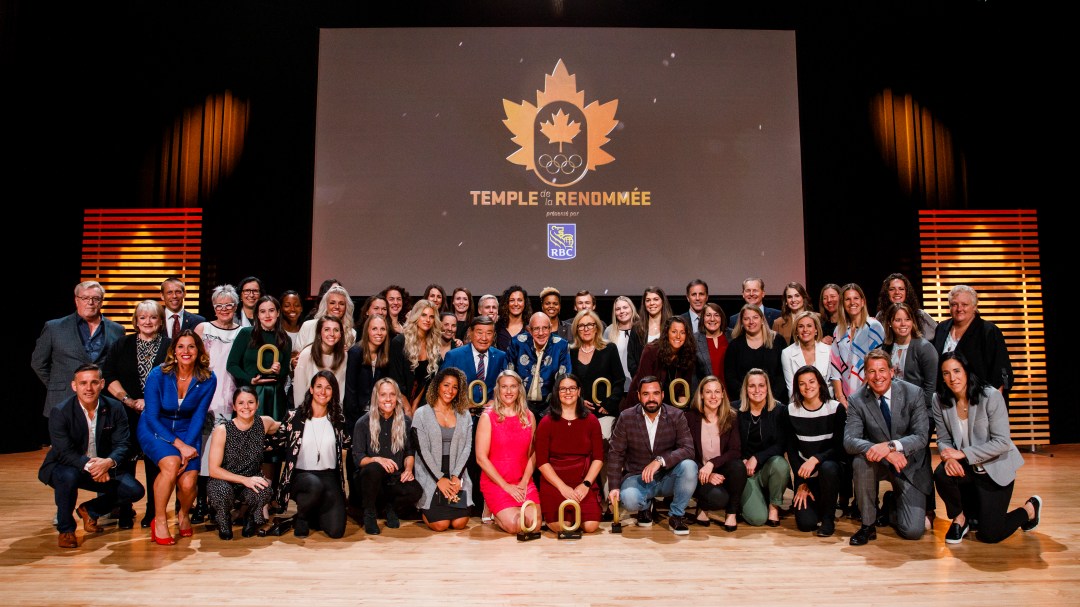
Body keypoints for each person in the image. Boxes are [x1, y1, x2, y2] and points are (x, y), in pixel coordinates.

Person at [932, 352, 1041, 544]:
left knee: (990, 534)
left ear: (967, 371)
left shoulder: (990, 396)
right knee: (941, 473)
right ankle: (960, 518)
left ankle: (1030, 509)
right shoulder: (938, 399)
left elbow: (1002, 442)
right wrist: (948, 457)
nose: (952, 378)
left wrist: (962, 453)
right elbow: (943, 439)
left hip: (994, 469)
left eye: (957, 371)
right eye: (946, 373)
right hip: (966, 469)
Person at [39, 364, 145, 549]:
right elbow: (63, 452)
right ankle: (66, 529)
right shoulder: (60, 411)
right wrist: (91, 466)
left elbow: (123, 444)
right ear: (74, 386)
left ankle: (90, 510)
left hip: (103, 465)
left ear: (102, 384)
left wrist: (108, 462)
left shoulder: (115, 408)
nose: (89, 388)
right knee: (67, 477)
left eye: (94, 382)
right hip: (68, 466)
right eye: (83, 383)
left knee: (135, 491)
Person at [843, 349, 932, 545]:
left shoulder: (913, 393)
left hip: (909, 463)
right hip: (880, 462)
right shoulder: (857, 399)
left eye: (882, 370)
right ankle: (868, 525)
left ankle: (891, 502)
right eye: (872, 372)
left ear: (892, 372)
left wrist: (891, 447)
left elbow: (921, 437)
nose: (877, 376)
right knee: (860, 461)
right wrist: (886, 453)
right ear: (865, 375)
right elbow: (850, 440)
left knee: (913, 531)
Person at [139, 330, 216, 545]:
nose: (186, 351)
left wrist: (188, 446)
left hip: (187, 429)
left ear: (199, 350)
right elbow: (152, 417)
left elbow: (199, 415)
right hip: (156, 428)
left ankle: (183, 514)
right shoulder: (158, 374)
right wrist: (180, 447)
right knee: (172, 464)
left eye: (191, 346)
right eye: (181, 346)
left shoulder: (208, 378)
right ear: (174, 350)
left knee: (189, 482)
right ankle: (160, 519)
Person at [103, 300, 170, 529]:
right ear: (136, 321)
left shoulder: (171, 346)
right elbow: (109, 375)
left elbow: (176, 380)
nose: (148, 322)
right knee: (124, 463)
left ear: (160, 321)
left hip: (158, 415)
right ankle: (123, 511)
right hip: (125, 414)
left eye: (153, 317)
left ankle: (153, 512)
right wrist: (126, 399)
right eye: (143, 317)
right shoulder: (122, 344)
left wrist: (151, 402)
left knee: (154, 464)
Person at [607, 376, 697, 536]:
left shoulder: (676, 415)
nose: (651, 398)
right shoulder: (626, 417)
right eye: (646, 394)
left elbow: (688, 448)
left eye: (655, 393)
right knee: (629, 499)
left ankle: (676, 515)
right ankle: (644, 507)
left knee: (690, 466)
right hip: (637, 477)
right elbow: (616, 453)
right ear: (638, 396)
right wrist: (614, 487)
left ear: (663, 395)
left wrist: (660, 461)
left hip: (667, 475)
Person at [439, 315, 509, 514]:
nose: (484, 337)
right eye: (479, 332)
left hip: (490, 419)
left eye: (488, 333)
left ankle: (486, 505)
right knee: (464, 462)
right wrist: (462, 403)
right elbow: (443, 388)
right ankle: (465, 504)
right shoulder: (454, 356)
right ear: (470, 333)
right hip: (462, 418)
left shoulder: (501, 356)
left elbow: (506, 388)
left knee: (488, 461)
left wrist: (495, 402)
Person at [32, 281, 126, 426]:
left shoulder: (117, 330)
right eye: (85, 298)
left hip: (102, 401)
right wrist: (58, 384)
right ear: (76, 300)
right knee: (66, 447)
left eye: (95, 298)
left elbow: (117, 366)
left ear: (101, 302)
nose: (90, 302)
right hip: (63, 399)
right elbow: (38, 362)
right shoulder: (54, 327)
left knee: (100, 448)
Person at [227, 295, 293, 502]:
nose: (267, 315)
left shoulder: (285, 338)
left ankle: (268, 495)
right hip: (251, 397)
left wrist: (280, 370)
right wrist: (250, 379)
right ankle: (243, 494)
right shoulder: (246, 334)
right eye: (262, 311)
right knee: (247, 445)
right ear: (257, 315)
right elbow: (232, 365)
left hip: (275, 398)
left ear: (278, 313)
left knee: (274, 446)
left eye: (271, 311)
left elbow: (283, 376)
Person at [270, 370, 352, 538]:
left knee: (336, 531)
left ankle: (315, 511)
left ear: (333, 392)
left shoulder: (338, 419)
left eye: (328, 388)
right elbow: (276, 443)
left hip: (329, 476)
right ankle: (302, 517)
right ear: (312, 390)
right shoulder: (295, 417)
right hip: (302, 476)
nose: (323, 392)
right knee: (314, 485)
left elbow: (350, 443)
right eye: (319, 387)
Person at [191, 284, 242, 524]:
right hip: (205, 396)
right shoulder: (203, 328)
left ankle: (219, 504)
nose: (224, 309)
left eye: (228, 305)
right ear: (213, 307)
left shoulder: (244, 331)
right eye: (219, 305)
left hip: (231, 398)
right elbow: (191, 361)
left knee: (223, 455)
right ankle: (200, 502)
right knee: (202, 452)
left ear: (236, 306)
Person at [535, 374, 604, 534]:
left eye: (572, 388)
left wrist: (586, 485)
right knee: (563, 527)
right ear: (557, 392)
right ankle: (564, 516)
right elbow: (542, 462)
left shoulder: (592, 421)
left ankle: (579, 514)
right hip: (555, 482)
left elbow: (599, 458)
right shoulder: (546, 422)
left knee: (591, 526)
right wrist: (563, 487)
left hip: (582, 480)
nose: (568, 392)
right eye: (563, 389)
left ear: (579, 391)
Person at [206, 386, 278, 540]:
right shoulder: (222, 430)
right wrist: (245, 480)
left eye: (251, 402)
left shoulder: (264, 423)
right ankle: (223, 519)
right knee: (222, 492)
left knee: (264, 489)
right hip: (224, 480)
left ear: (257, 404)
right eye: (241, 403)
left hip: (250, 480)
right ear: (234, 406)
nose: (246, 407)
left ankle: (250, 518)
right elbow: (213, 470)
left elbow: (287, 426)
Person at [353, 378, 423, 535]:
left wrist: (408, 469)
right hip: (368, 479)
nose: (388, 399)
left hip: (393, 479)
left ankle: (389, 506)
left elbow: (409, 452)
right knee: (373, 469)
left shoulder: (405, 421)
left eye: (392, 394)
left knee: (415, 491)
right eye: (383, 394)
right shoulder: (362, 423)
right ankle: (369, 514)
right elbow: (358, 458)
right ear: (376, 397)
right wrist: (376, 459)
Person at [475, 370, 541, 534]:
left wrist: (525, 482)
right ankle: (491, 509)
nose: (509, 391)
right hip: (497, 483)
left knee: (534, 525)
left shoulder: (529, 416)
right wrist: (506, 487)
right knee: (516, 525)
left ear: (519, 389)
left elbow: (534, 453)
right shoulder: (487, 417)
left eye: (513, 386)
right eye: (504, 387)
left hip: (522, 482)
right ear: (497, 390)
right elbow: (481, 458)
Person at [411, 367, 474, 531]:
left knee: (459, 524)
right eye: (446, 385)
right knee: (441, 525)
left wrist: (455, 476)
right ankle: (424, 509)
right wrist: (440, 479)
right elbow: (423, 451)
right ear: (437, 385)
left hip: (456, 471)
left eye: (455, 387)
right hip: (431, 472)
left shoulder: (464, 414)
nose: (450, 390)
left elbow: (467, 447)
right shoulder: (422, 414)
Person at [787, 365, 846, 537]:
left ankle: (828, 518)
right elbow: (791, 450)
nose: (807, 387)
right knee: (806, 524)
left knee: (828, 467)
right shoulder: (791, 410)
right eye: (802, 384)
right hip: (805, 475)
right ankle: (819, 505)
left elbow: (838, 448)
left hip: (830, 471)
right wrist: (801, 482)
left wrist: (815, 459)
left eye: (812, 382)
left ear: (820, 383)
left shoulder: (835, 408)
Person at [342, 313, 391, 517]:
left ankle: (376, 501)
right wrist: (354, 421)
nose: (378, 333)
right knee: (356, 457)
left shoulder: (386, 354)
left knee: (375, 457)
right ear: (367, 331)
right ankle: (354, 501)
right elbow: (350, 388)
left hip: (379, 415)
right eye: (374, 329)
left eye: (382, 329)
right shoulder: (355, 352)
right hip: (356, 416)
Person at [683, 376, 744, 531]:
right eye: (708, 392)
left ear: (723, 394)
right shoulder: (690, 418)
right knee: (718, 499)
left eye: (717, 392)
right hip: (700, 473)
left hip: (721, 470)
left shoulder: (731, 417)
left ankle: (731, 513)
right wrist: (707, 472)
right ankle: (702, 507)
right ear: (701, 395)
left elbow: (735, 451)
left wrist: (712, 464)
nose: (713, 396)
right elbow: (686, 452)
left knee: (738, 467)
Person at [931, 285, 1013, 398]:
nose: (959, 309)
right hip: (947, 399)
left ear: (974, 307)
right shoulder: (941, 328)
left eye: (965, 304)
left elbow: (1000, 372)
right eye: (954, 304)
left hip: (980, 400)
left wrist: (994, 404)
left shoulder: (989, 331)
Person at [734, 369, 789, 527]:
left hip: (767, 468)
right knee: (757, 519)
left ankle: (774, 507)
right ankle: (751, 499)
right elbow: (729, 444)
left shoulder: (779, 410)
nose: (757, 390)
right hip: (745, 472)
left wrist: (757, 458)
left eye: (761, 385)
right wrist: (742, 460)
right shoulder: (734, 410)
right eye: (752, 386)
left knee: (780, 464)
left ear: (767, 387)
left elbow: (781, 445)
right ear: (745, 388)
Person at [624, 316, 705, 410]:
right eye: (674, 332)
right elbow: (644, 386)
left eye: (682, 332)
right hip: (643, 404)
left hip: (669, 407)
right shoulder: (651, 351)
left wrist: (680, 412)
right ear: (667, 333)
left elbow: (683, 391)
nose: (678, 336)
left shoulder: (688, 354)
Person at [570, 309, 625, 439]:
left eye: (590, 324)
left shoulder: (609, 349)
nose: (586, 329)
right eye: (581, 325)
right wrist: (578, 402)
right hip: (578, 411)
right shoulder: (571, 351)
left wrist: (608, 404)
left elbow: (619, 381)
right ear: (576, 329)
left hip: (604, 412)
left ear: (596, 328)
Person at [507, 311, 571, 420]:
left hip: (551, 406)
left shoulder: (561, 345)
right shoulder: (517, 343)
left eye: (545, 328)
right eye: (536, 329)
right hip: (519, 405)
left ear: (550, 329)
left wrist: (553, 409)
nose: (541, 333)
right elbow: (508, 375)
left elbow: (564, 379)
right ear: (530, 330)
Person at [829, 283, 885, 408]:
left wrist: (858, 398)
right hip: (844, 398)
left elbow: (874, 365)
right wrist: (840, 397)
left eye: (855, 298)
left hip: (869, 394)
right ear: (843, 303)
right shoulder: (838, 330)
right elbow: (835, 366)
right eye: (847, 299)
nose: (852, 302)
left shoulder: (874, 327)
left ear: (863, 301)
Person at [387, 299, 443, 415]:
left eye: (431, 317)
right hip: (397, 401)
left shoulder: (434, 346)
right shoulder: (399, 342)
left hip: (421, 404)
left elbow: (427, 381)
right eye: (423, 315)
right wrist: (407, 408)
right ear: (416, 316)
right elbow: (395, 378)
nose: (427, 320)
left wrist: (415, 406)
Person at [725, 304, 788, 404]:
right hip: (744, 402)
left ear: (762, 319)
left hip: (775, 401)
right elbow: (731, 377)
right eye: (746, 319)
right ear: (741, 322)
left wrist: (770, 397)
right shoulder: (735, 345)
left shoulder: (777, 341)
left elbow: (783, 373)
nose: (751, 322)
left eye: (755, 317)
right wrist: (747, 396)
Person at [292, 315, 348, 408]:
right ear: (319, 332)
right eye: (327, 329)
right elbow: (299, 391)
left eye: (336, 330)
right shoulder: (306, 354)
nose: (332, 334)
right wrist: (301, 415)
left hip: (332, 410)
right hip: (308, 410)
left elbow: (340, 390)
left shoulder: (344, 355)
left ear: (341, 334)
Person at [781, 310, 831, 401]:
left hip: (824, 403)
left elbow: (829, 386)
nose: (805, 330)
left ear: (816, 330)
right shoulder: (787, 353)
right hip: (799, 404)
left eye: (809, 326)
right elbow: (791, 388)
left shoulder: (828, 350)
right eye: (800, 326)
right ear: (796, 331)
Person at [874, 273, 937, 341]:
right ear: (886, 293)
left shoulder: (920, 315)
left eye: (901, 289)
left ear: (907, 292)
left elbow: (939, 335)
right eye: (892, 289)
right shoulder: (881, 316)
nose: (897, 292)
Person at [296, 284, 357, 352]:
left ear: (346, 307)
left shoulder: (351, 333)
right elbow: (296, 354)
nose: (337, 307)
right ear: (326, 305)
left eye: (341, 304)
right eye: (332, 303)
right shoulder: (308, 326)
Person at [604, 295, 639, 390]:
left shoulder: (641, 329)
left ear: (632, 309)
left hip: (639, 384)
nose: (622, 311)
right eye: (618, 309)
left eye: (625, 307)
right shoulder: (609, 331)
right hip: (616, 386)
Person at [694, 302, 730, 380]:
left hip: (731, 390)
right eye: (708, 315)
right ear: (703, 318)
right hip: (707, 390)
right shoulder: (694, 340)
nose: (712, 319)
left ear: (721, 318)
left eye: (716, 315)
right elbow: (693, 375)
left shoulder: (732, 336)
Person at [495, 285, 531, 351]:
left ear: (525, 303)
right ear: (507, 303)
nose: (516, 304)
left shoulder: (529, 328)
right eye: (512, 300)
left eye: (520, 300)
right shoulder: (497, 327)